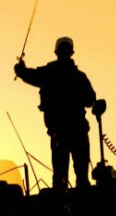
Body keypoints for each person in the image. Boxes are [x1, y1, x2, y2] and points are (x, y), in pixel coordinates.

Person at [14, 36, 96, 189]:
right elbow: (91, 100)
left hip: (60, 133)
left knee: (60, 179)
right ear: (72, 53)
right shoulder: (79, 77)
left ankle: (61, 201)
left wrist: (20, 69)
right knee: (81, 179)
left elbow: (28, 75)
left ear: (56, 52)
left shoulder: (48, 73)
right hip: (77, 132)